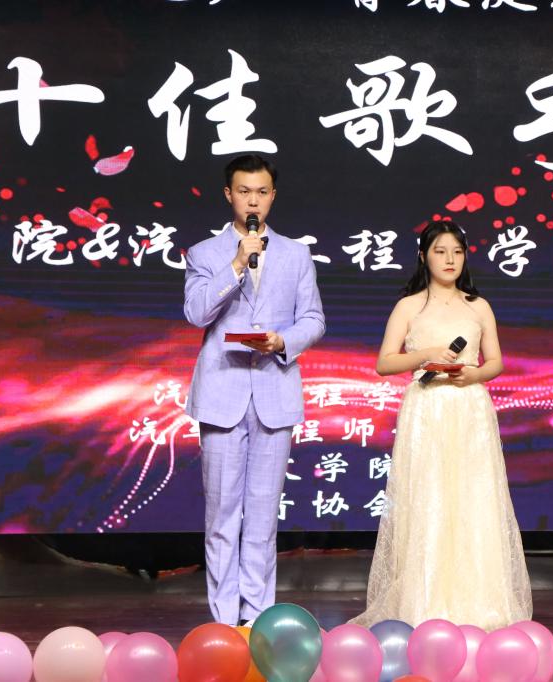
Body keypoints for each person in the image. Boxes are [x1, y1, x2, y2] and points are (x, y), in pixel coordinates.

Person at [351, 219, 532, 630]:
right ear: (423, 256)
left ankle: (480, 605)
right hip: (427, 408)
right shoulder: (409, 306)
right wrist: (426, 354)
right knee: (428, 500)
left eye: (457, 252)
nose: (450, 259)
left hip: (470, 408)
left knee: (473, 499)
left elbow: (496, 362)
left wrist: (475, 375)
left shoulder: (478, 305)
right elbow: (384, 363)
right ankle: (425, 604)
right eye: (440, 251)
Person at [184, 154, 326, 625]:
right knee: (222, 516)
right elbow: (197, 313)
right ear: (229, 195)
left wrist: (282, 341)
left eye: (261, 192)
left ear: (272, 196)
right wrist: (236, 265)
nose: (253, 201)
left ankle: (257, 616)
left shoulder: (296, 254)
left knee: (263, 517)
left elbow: (314, 318)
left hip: (274, 389)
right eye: (244, 191)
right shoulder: (205, 253)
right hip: (222, 393)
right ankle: (225, 620)